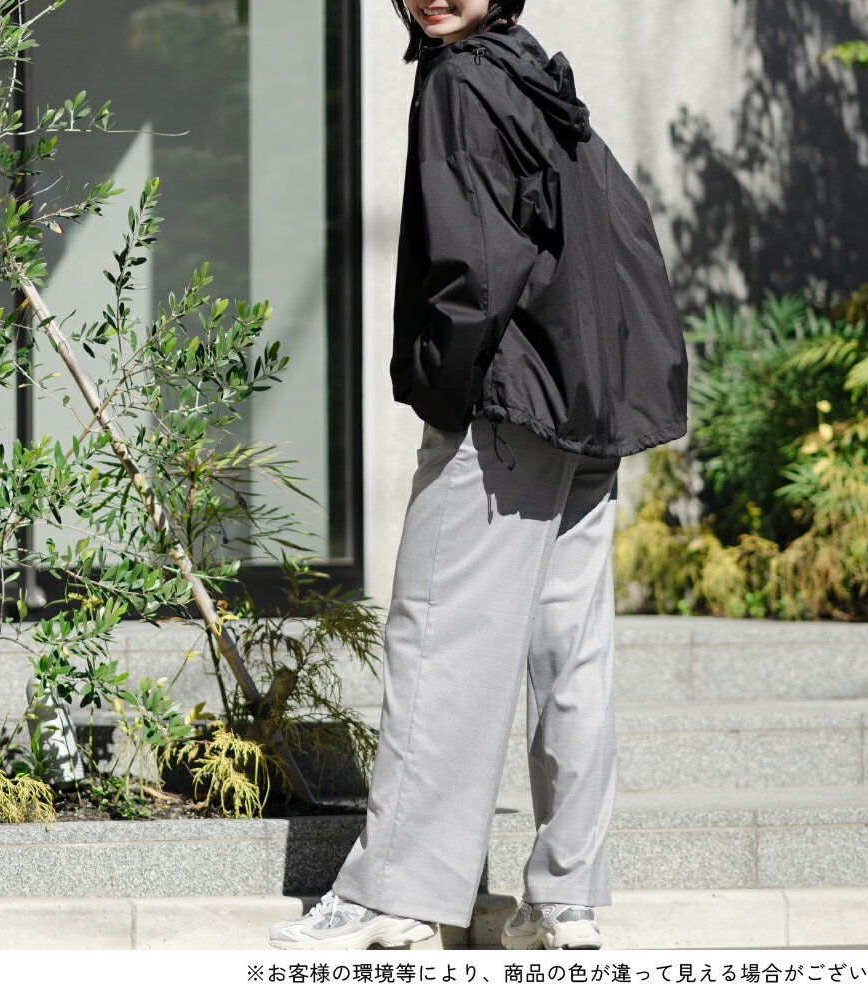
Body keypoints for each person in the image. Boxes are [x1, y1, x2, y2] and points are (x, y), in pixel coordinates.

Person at [268, 0, 687, 950]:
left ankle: (394, 898)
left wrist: (445, 391)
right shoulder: (535, 74)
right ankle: (564, 903)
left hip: (506, 407)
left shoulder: (460, 80)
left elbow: (474, 269)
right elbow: (620, 230)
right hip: (585, 405)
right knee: (569, 649)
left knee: (437, 635)